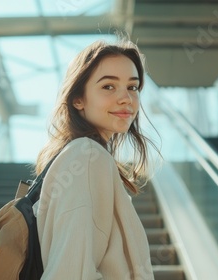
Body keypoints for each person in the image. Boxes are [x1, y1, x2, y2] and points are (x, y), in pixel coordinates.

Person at [33, 38, 157, 279]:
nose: (126, 98)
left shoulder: (83, 158)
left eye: (133, 87)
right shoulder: (87, 157)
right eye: (108, 86)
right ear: (77, 99)